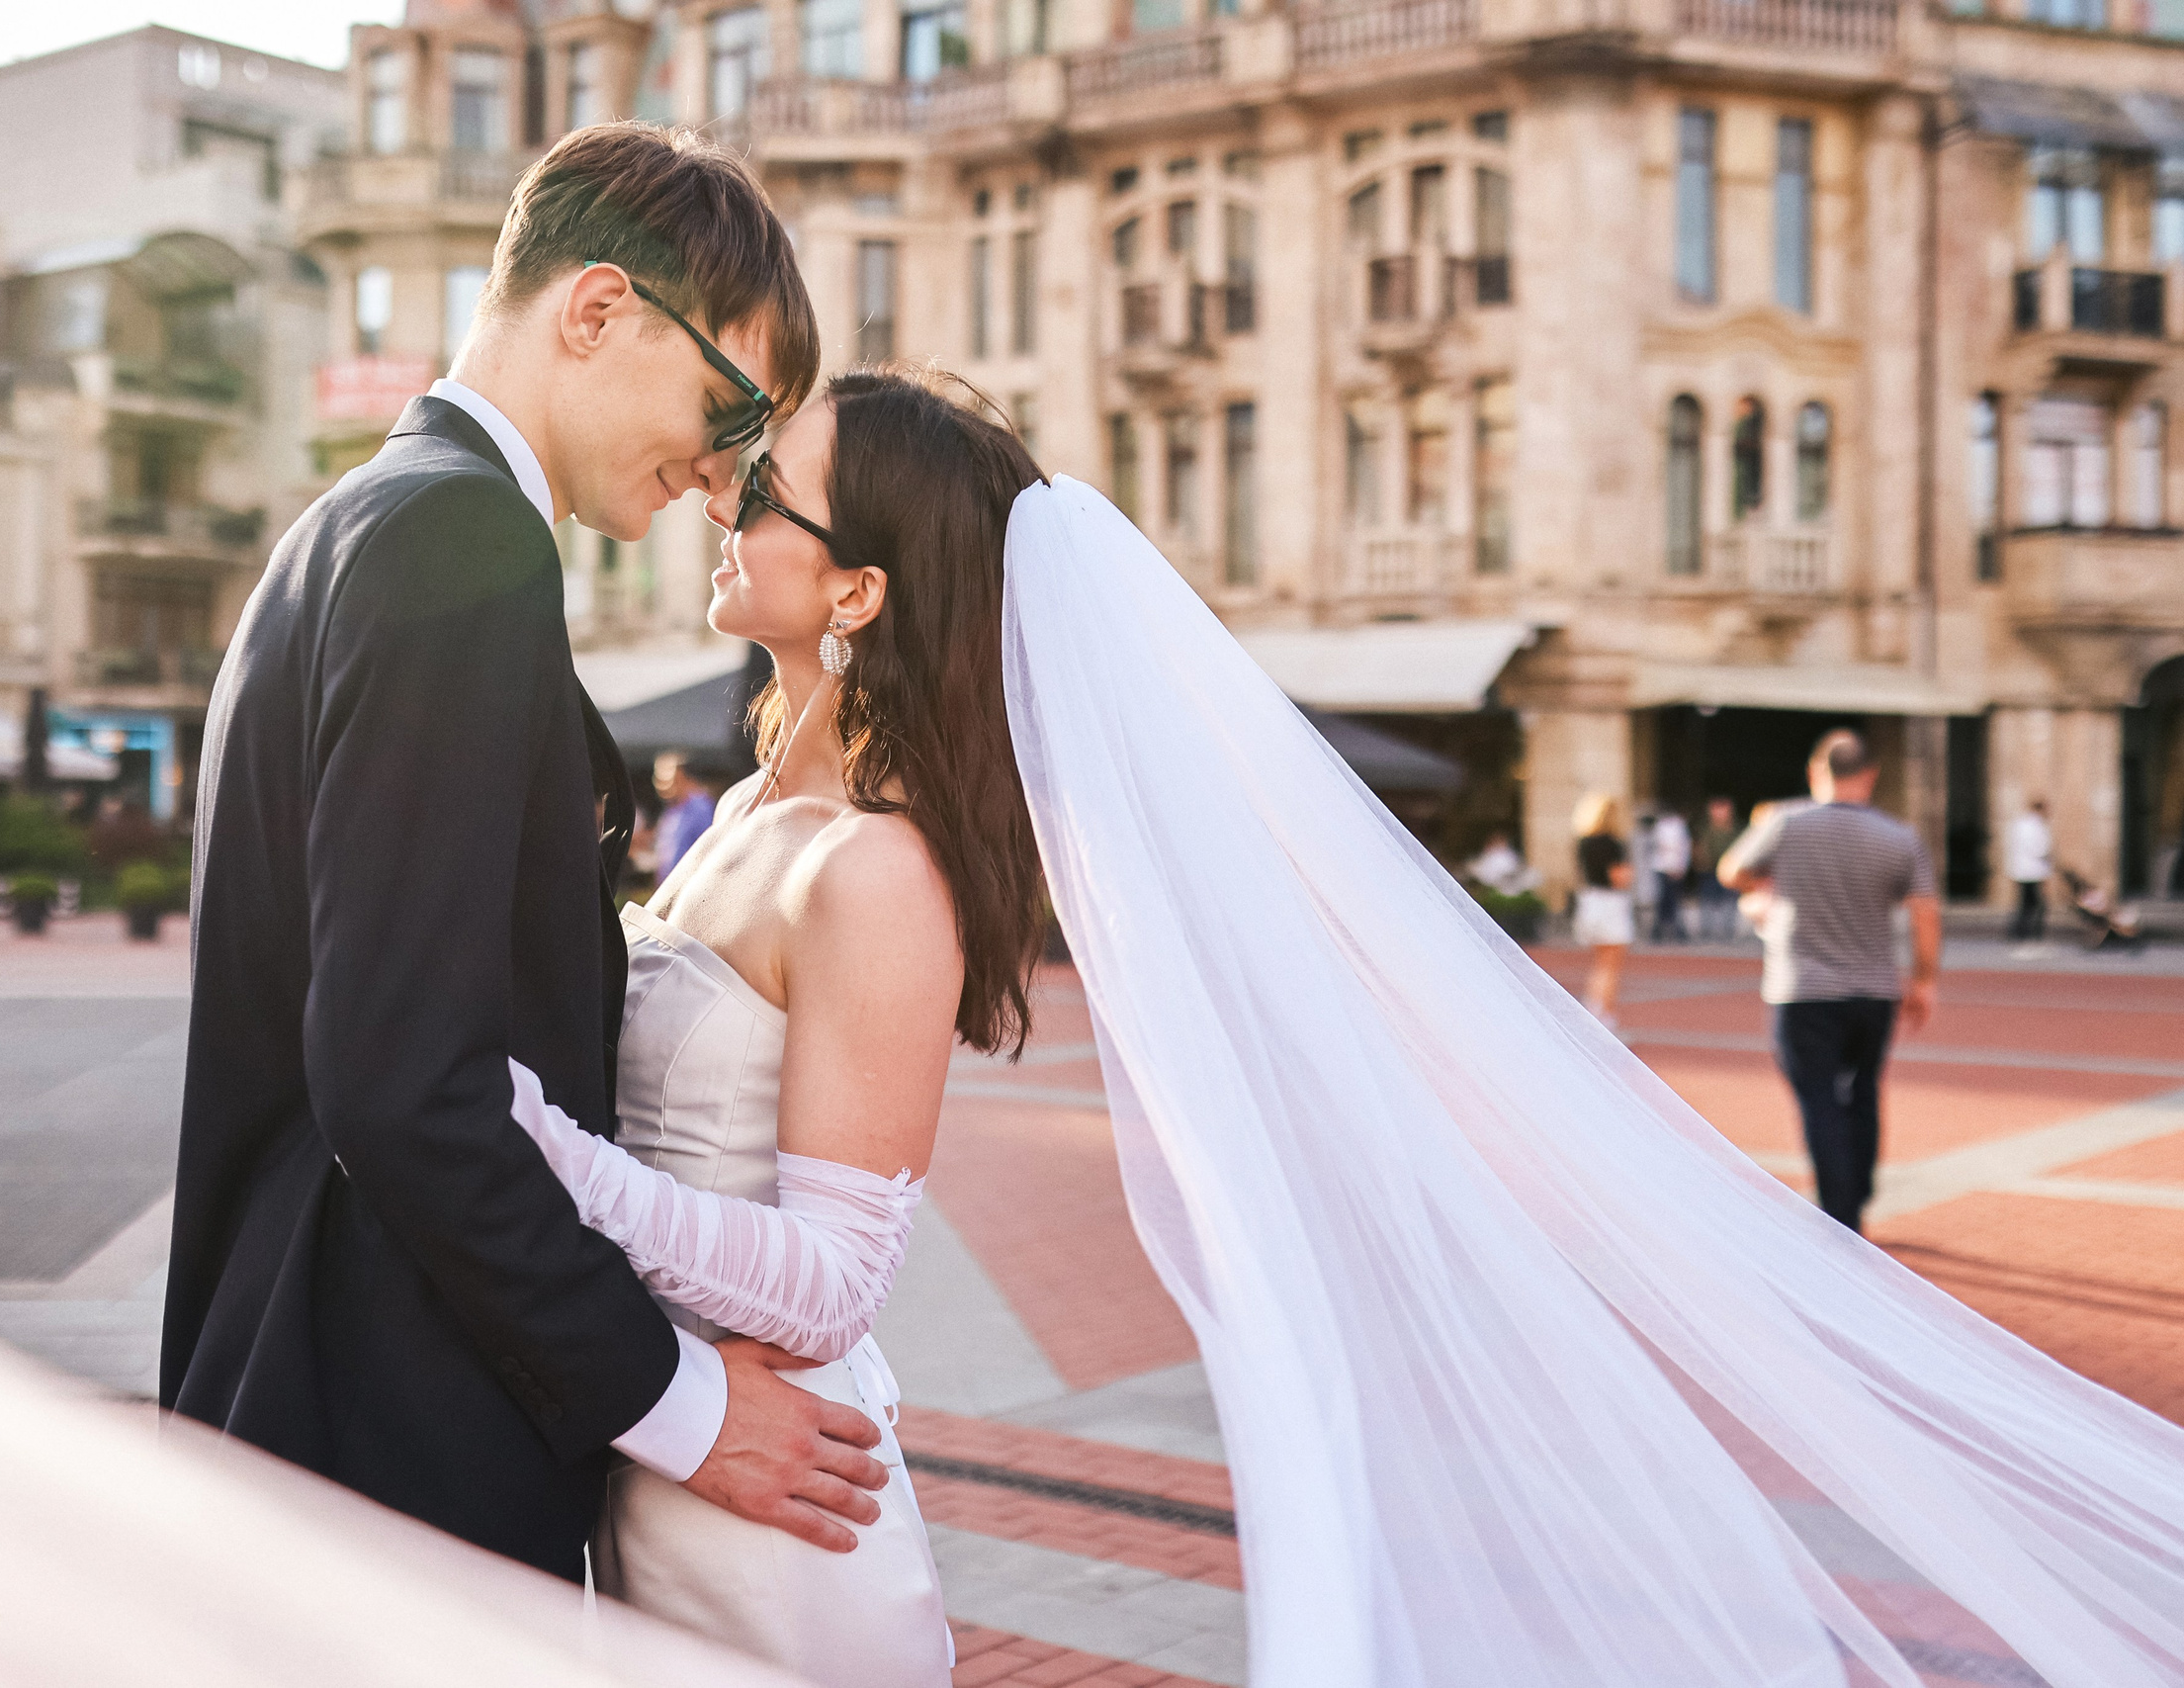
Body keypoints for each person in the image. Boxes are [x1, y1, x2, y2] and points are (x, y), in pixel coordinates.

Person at [523, 372, 2184, 1685]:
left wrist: (534, 1148)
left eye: (768, 488)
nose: (727, 499)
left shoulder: (880, 870)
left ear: (862, 587)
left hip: (786, 1519)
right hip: (663, 1461)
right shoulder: (742, 806)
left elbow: (831, 1282)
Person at [162, 125, 894, 1593]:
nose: (717, 470)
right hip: (394, 1435)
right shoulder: (458, 543)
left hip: (301, 1391)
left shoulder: (351, 524)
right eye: (728, 401)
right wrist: (684, 1410)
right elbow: (404, 1079)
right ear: (599, 308)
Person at [1717, 731, 1941, 1235]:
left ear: (1817, 772)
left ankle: (1840, 1214)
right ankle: (1856, 1192)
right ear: (1870, 777)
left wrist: (1770, 884)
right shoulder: (1900, 836)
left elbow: (1730, 870)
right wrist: (1924, 980)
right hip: (1875, 990)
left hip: (1802, 988)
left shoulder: (1786, 823)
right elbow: (1926, 912)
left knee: (1818, 1097)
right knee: (1863, 1092)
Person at [1571, 794, 1633, 1028]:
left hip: (1589, 901)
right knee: (1610, 965)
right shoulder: (1612, 843)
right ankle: (1604, 1017)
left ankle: (1593, 1011)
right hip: (1610, 903)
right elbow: (1619, 878)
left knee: (1600, 962)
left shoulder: (1583, 842)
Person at [650, 751, 717, 882]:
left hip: (690, 886)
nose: (660, 784)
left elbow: (709, 851)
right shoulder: (671, 810)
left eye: (665, 776)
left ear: (681, 775)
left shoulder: (701, 808)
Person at [1692, 794, 1742, 938]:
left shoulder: (1735, 829)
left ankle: (1727, 932)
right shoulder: (1704, 829)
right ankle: (1706, 932)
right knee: (1707, 901)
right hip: (1708, 870)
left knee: (1729, 902)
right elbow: (1697, 848)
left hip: (1728, 870)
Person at [2006, 796, 2053, 944]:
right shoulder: (2036, 826)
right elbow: (2040, 849)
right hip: (2033, 871)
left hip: (2021, 870)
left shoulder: (2020, 824)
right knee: (2037, 904)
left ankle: (2021, 932)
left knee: (2026, 903)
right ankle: (2031, 933)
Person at [1649, 805, 1693, 942]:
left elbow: (1683, 849)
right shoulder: (1661, 826)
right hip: (1663, 868)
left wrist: (1679, 868)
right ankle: (1659, 931)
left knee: (1674, 901)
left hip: (1674, 868)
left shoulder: (1679, 826)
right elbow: (1660, 847)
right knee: (1663, 900)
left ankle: (1675, 930)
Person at [1464, 830, 1537, 897]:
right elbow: (1481, 870)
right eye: (1497, 840)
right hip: (1495, 883)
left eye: (1501, 840)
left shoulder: (1509, 854)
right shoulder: (1489, 855)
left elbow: (1516, 866)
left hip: (1512, 880)